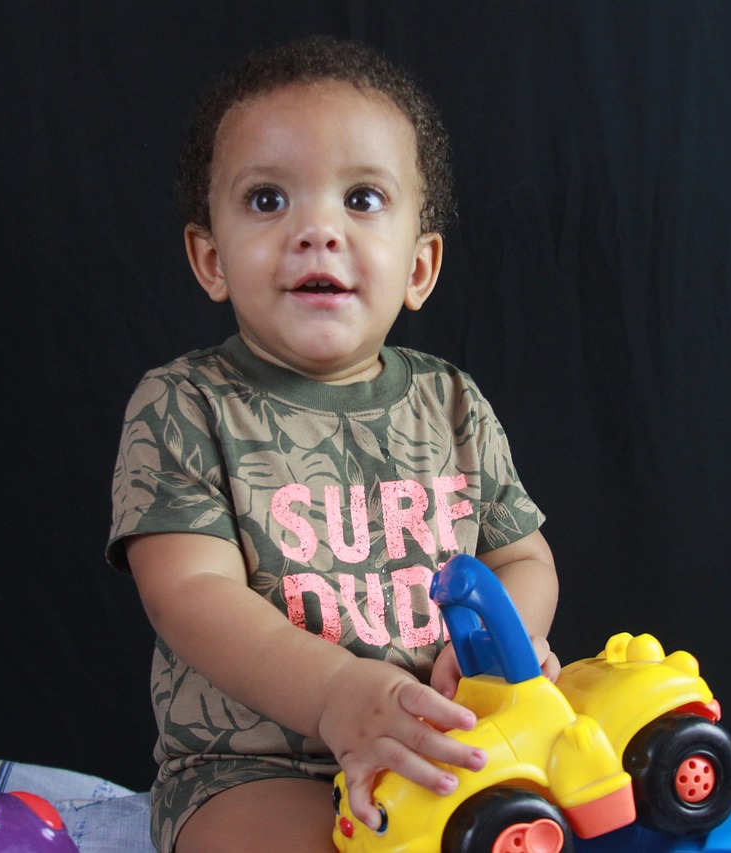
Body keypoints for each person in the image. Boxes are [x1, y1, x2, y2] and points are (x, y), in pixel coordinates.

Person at [106, 35, 559, 853]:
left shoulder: (453, 403)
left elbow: (524, 559)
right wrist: (337, 691)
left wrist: (498, 649)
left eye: (362, 198)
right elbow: (189, 592)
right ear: (210, 258)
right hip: (256, 768)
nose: (317, 229)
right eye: (268, 199)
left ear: (419, 267)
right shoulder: (185, 405)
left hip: (446, 747)